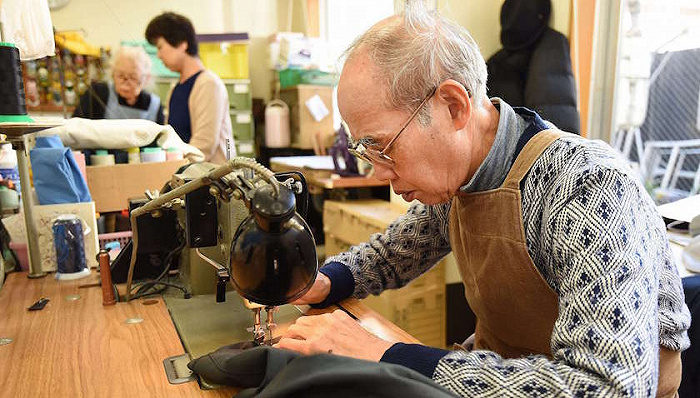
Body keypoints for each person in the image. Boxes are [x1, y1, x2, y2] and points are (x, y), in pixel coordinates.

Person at [274, 3, 691, 397]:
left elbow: (609, 387)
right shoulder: (457, 181)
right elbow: (394, 254)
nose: (378, 173)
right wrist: (324, 281)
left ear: (453, 106)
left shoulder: (587, 187)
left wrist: (387, 355)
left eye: (383, 147)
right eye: (366, 151)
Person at [145, 12, 234, 164]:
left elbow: (203, 146)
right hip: (186, 177)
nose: (159, 55)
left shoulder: (208, 84)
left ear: (181, 44)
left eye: (160, 47)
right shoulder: (175, 89)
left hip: (210, 181)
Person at [72, 46, 164, 123]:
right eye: (120, 76)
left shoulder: (154, 105)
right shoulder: (98, 93)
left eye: (133, 77)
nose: (126, 83)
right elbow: (76, 127)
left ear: (146, 79)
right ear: (113, 74)